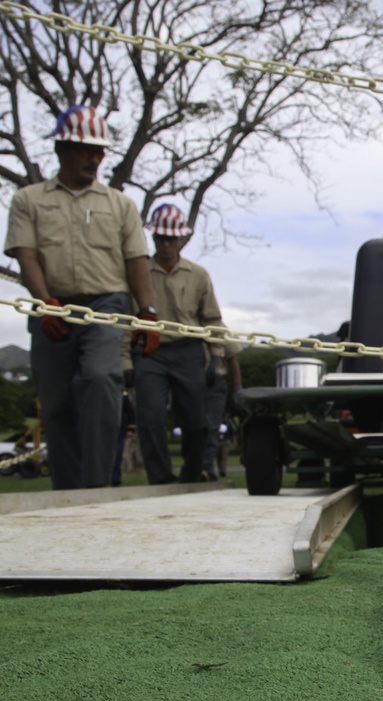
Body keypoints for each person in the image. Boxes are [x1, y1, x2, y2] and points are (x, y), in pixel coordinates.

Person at [3, 105, 159, 490]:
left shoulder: (120, 204)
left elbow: (136, 261)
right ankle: (68, 493)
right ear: (62, 150)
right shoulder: (29, 200)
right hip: (51, 304)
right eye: (86, 150)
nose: (95, 159)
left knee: (100, 378)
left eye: (100, 152)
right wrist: (44, 303)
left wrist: (148, 311)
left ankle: (98, 486)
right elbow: (27, 255)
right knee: (56, 402)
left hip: (107, 306)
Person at [134, 204, 226, 484]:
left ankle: (191, 474)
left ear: (180, 240)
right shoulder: (139, 273)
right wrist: (126, 361)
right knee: (150, 419)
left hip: (188, 350)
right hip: (151, 351)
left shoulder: (198, 275)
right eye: (161, 238)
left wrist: (218, 359)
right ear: (154, 239)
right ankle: (160, 479)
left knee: (196, 422)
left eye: (171, 239)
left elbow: (212, 318)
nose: (166, 245)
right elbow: (127, 318)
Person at [202, 340, 242, 481]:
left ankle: (206, 469)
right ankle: (194, 467)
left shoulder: (218, 329)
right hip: (192, 379)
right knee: (193, 425)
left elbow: (232, 359)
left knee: (212, 427)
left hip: (215, 381)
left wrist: (237, 387)